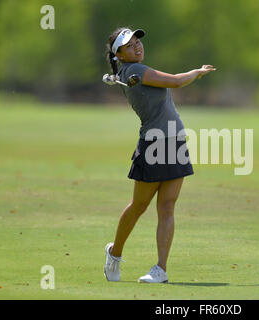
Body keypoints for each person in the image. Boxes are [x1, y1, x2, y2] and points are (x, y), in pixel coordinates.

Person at [103, 27, 216, 283]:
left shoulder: (129, 71)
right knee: (139, 206)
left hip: (175, 140)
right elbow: (176, 81)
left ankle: (160, 270)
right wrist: (196, 73)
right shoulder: (133, 72)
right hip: (154, 144)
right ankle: (115, 253)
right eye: (129, 46)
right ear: (119, 55)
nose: (137, 47)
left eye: (137, 42)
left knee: (167, 206)